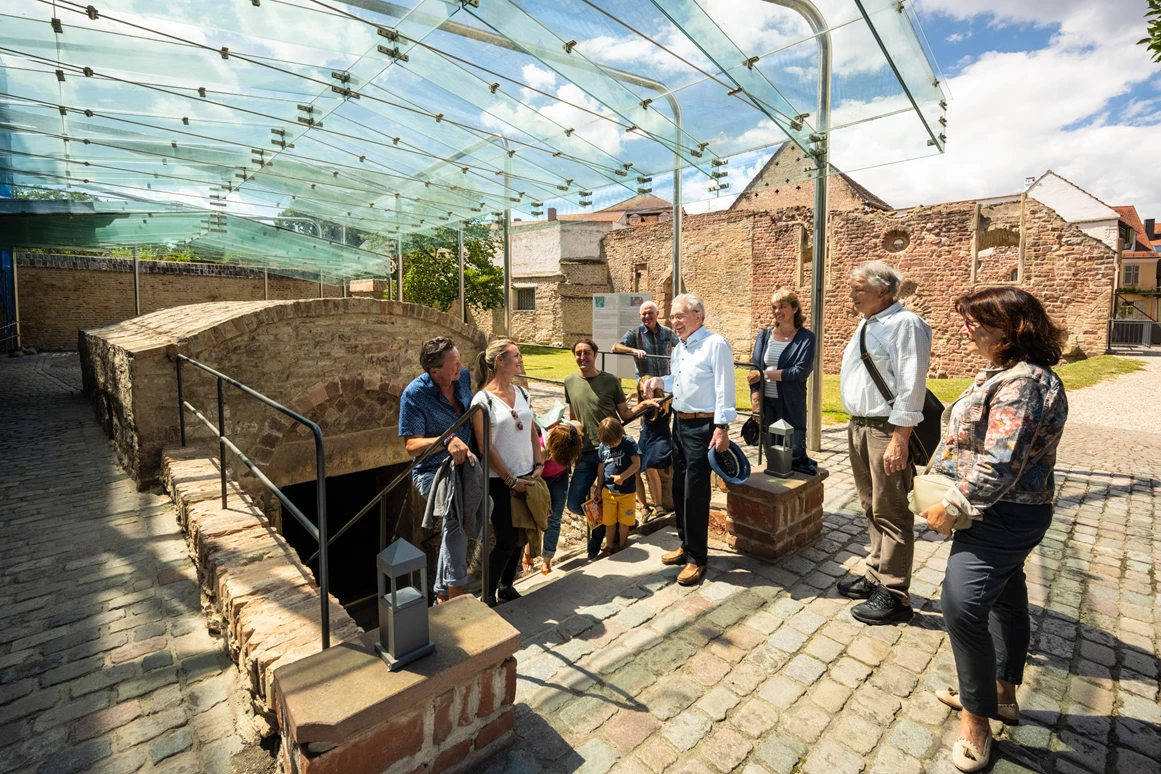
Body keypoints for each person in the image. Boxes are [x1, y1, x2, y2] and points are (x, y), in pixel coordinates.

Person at [922, 288, 1068, 772]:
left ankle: (976, 721)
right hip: (1003, 510)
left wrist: (953, 502)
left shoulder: (1023, 383)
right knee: (1006, 596)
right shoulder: (1007, 373)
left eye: (976, 321)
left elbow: (1001, 461)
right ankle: (1002, 694)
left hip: (1002, 514)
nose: (967, 329)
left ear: (1011, 326)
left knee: (961, 606)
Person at [836, 261, 932, 625]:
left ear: (883, 291)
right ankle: (875, 573)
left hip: (885, 430)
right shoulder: (868, 323)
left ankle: (894, 593)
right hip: (860, 427)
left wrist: (900, 439)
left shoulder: (906, 324)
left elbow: (911, 385)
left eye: (858, 289)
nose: (851, 295)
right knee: (870, 505)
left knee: (891, 510)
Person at [644, 293, 736, 586]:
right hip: (680, 424)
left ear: (698, 316)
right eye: (672, 316)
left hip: (703, 427)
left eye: (680, 316)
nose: (675, 321)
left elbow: (724, 388)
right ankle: (686, 545)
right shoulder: (680, 348)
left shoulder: (715, 344)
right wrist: (660, 381)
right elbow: (680, 381)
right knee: (680, 487)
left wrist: (722, 427)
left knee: (696, 493)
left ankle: (698, 557)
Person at [398, 337, 476, 604]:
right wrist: (445, 440)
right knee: (456, 512)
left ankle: (442, 593)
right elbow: (411, 446)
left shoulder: (462, 378)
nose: (461, 367)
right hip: (432, 471)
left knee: (476, 509)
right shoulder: (414, 394)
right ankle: (455, 593)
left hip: (466, 466)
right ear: (434, 371)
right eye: (454, 364)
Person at [563, 338, 655, 558]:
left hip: (613, 452)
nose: (582, 357)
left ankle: (607, 538)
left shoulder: (610, 380)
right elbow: (574, 417)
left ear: (595, 355)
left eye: (587, 353)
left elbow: (624, 414)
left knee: (616, 495)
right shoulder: (569, 381)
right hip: (586, 452)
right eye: (578, 353)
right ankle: (608, 525)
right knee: (574, 503)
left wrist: (642, 405)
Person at [470, 339, 543, 606]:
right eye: (516, 355)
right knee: (506, 540)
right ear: (500, 360)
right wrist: (511, 480)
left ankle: (507, 586)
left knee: (521, 537)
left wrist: (539, 464)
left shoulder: (522, 393)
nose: (520, 360)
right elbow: (484, 447)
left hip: (527, 474)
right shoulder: (482, 400)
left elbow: (532, 430)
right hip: (499, 481)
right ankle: (487, 594)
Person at [747, 288, 817, 474]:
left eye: (783, 306)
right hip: (767, 404)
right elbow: (753, 371)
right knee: (772, 456)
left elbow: (799, 372)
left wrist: (765, 374)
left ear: (795, 309)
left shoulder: (806, 338)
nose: (777, 311)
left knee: (793, 455)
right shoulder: (764, 336)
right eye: (774, 307)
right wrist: (756, 403)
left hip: (791, 404)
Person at [535, 419, 583, 575]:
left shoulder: (572, 439)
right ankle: (528, 555)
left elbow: (578, 424)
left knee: (554, 519)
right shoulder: (542, 446)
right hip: (541, 479)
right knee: (535, 518)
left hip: (559, 478)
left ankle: (546, 560)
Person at [596, 417, 640, 554]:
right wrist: (598, 487)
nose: (613, 445)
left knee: (624, 521)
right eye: (609, 443)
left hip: (627, 492)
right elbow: (601, 467)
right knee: (609, 521)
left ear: (620, 433)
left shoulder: (629, 443)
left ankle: (622, 545)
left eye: (615, 442)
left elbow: (636, 464)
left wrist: (622, 477)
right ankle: (609, 547)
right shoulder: (603, 446)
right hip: (608, 492)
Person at [634, 378, 672, 519]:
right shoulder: (643, 404)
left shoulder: (664, 401)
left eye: (648, 390)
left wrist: (661, 400)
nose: (645, 394)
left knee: (651, 466)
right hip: (646, 437)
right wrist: (635, 397)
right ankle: (643, 506)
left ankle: (658, 505)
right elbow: (630, 413)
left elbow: (674, 397)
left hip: (661, 437)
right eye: (641, 392)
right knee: (634, 468)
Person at [612, 300, 679, 378]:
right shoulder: (635, 332)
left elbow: (681, 345)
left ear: (657, 313)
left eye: (650, 313)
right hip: (645, 382)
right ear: (640, 315)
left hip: (664, 380)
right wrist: (634, 350)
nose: (647, 316)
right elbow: (615, 347)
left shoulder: (667, 332)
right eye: (644, 314)